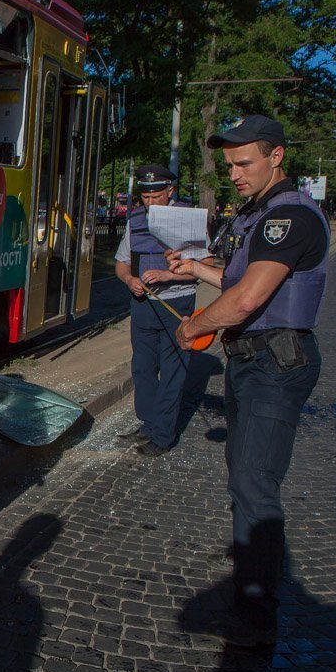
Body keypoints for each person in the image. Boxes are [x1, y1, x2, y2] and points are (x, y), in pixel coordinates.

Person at [166, 115, 328, 644]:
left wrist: (194, 325)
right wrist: (196, 271)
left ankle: (255, 621)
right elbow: (240, 280)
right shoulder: (259, 214)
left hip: (274, 364)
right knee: (243, 479)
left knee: (255, 485)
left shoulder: (289, 217)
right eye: (230, 165)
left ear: (276, 156)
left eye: (244, 163)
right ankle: (249, 597)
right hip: (251, 361)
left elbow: (249, 299)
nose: (234, 173)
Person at [113, 164, 203, 456]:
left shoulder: (188, 219)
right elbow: (121, 262)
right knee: (143, 368)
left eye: (155, 196)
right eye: (145, 196)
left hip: (177, 303)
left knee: (172, 369)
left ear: (170, 190)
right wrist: (129, 280)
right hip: (142, 304)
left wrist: (167, 275)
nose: (149, 202)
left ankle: (163, 435)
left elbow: (204, 268)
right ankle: (149, 423)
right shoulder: (135, 218)